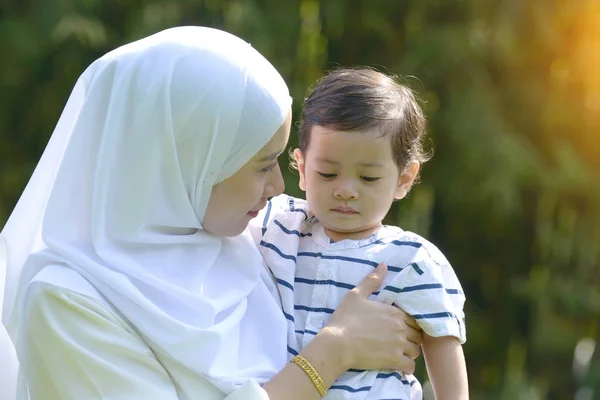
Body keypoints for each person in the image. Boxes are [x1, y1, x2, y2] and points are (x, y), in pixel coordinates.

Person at [0, 27, 423, 400]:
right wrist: (335, 350)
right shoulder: (69, 302)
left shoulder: (253, 239)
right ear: (185, 161)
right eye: (262, 164)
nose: (279, 186)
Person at [250, 69, 469, 399]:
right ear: (301, 166)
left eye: (367, 178)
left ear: (404, 179)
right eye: (328, 173)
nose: (346, 190)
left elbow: (443, 345)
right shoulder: (279, 223)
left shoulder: (413, 259)